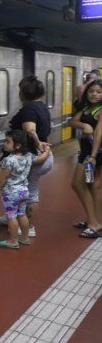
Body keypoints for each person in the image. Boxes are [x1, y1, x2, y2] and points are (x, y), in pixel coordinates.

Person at [0, 75, 53, 238]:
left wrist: (38, 143)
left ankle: (28, 227)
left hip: (34, 156)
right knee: (18, 189)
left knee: (30, 192)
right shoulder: (41, 106)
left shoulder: (29, 109)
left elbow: (29, 129)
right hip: (40, 154)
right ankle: (11, 217)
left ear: (23, 93)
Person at [0, 130, 51, 249]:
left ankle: (13, 241)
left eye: (7, 141)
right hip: (24, 191)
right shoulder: (28, 156)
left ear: (18, 145)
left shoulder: (8, 160)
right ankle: (25, 238)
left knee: (11, 216)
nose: (4, 143)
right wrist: (47, 150)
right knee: (21, 214)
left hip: (11, 193)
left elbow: (3, 177)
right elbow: (41, 158)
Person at [69, 80, 102, 238]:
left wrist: (93, 156)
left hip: (94, 155)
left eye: (98, 91)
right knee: (90, 186)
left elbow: (98, 134)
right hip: (86, 153)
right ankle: (94, 220)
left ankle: (95, 223)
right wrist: (84, 126)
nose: (94, 94)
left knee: (79, 184)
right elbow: (73, 121)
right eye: (91, 91)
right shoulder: (87, 108)